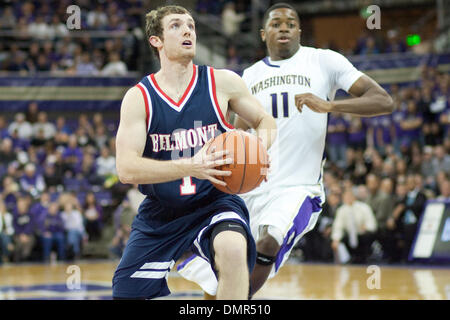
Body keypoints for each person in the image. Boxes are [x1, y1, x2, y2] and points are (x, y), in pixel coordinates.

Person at [178, 3, 393, 298]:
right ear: (263, 33)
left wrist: (331, 105)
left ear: (299, 31)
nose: (284, 28)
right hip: (251, 184)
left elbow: (383, 101)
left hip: (297, 187)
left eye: (290, 23)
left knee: (269, 242)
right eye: (276, 24)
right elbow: (237, 132)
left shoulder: (324, 61)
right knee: (225, 268)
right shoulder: (249, 76)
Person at [111, 5, 276, 300]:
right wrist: (190, 166)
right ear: (156, 40)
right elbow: (126, 169)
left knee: (233, 250)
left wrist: (257, 150)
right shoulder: (139, 98)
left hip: (214, 201)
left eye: (191, 25)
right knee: (126, 293)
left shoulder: (222, 82)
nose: (188, 30)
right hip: (162, 213)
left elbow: (265, 121)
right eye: (176, 25)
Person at [331, 188, 378, 264]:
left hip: (362, 235)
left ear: (354, 197)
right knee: (340, 240)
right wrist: (336, 239)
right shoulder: (341, 210)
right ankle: (347, 259)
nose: (348, 198)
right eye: (346, 196)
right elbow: (338, 227)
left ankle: (365, 257)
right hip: (349, 236)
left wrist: (366, 227)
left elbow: (372, 223)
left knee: (368, 236)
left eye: (350, 196)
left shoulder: (364, 207)